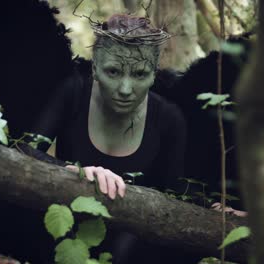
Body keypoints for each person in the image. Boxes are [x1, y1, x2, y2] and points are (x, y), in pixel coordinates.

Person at [32, 14, 190, 263]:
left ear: (154, 74)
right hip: (64, 245)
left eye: (139, 74)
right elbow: (25, 153)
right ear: (95, 67)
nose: (125, 89)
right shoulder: (72, 93)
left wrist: (223, 211)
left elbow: (178, 194)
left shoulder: (169, 119)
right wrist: (74, 171)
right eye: (113, 71)